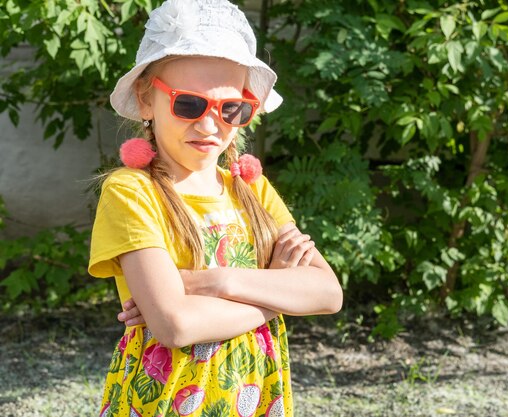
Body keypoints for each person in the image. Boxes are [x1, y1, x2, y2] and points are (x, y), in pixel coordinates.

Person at [87, 1, 343, 416]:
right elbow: (176, 325)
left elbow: (327, 293)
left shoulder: (251, 190)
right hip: (165, 399)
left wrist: (213, 282)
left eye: (230, 109)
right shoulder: (132, 191)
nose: (210, 126)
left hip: (254, 393)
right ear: (146, 98)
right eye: (189, 104)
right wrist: (276, 289)